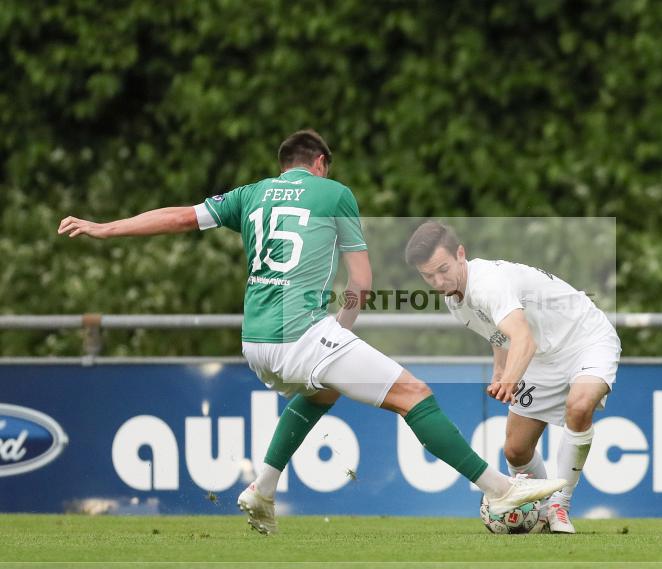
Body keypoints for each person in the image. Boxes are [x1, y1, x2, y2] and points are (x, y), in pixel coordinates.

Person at [57, 129, 565, 534]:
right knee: (415, 395)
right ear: (320, 163)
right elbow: (361, 282)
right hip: (301, 333)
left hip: (254, 341)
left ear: (286, 164)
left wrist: (107, 227)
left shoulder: (251, 194)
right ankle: (502, 489)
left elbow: (180, 217)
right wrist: (341, 332)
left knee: (323, 391)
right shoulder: (334, 193)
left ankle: (262, 487)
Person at [406, 221, 621, 533]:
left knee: (579, 406)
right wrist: (499, 369)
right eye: (428, 276)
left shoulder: (487, 284)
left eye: (443, 269)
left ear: (460, 254)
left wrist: (509, 380)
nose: (438, 281)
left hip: (585, 338)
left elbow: (523, 339)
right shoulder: (454, 299)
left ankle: (560, 505)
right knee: (516, 450)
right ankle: (542, 512)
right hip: (541, 356)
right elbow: (500, 333)